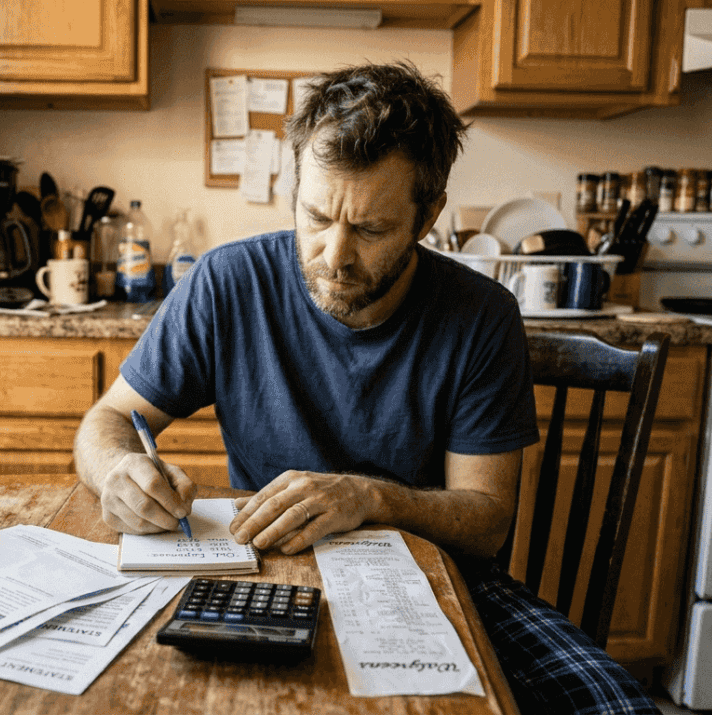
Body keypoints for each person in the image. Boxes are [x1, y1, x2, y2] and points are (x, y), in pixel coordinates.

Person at [73, 61, 660, 715]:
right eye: (317, 215)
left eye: (371, 229)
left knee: (619, 707)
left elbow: (487, 519)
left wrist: (369, 497)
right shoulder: (224, 282)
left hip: (445, 580)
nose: (334, 254)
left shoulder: (481, 314)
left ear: (427, 213)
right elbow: (107, 422)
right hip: (271, 572)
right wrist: (121, 468)